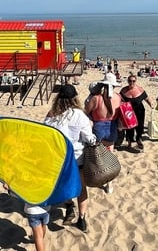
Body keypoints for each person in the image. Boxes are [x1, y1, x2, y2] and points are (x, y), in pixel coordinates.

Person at [44, 84, 96, 233]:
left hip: (59, 158)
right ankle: (82, 218)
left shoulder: (52, 114)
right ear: (75, 99)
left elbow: (46, 134)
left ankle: (69, 206)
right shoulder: (80, 115)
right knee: (81, 188)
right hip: (77, 157)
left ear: (58, 98)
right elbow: (89, 138)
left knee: (63, 184)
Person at [83, 73, 121, 194]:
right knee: (110, 154)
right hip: (112, 126)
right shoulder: (118, 97)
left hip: (98, 126)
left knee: (98, 156)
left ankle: (100, 178)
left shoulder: (96, 98)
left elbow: (85, 112)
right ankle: (110, 184)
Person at [117, 75, 152, 152]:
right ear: (128, 81)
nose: (131, 82)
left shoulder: (140, 89)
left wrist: (151, 105)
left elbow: (146, 98)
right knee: (129, 127)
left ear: (136, 81)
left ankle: (138, 139)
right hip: (128, 111)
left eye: (133, 81)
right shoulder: (124, 90)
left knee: (140, 126)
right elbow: (119, 100)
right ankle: (129, 143)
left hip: (139, 111)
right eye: (130, 81)